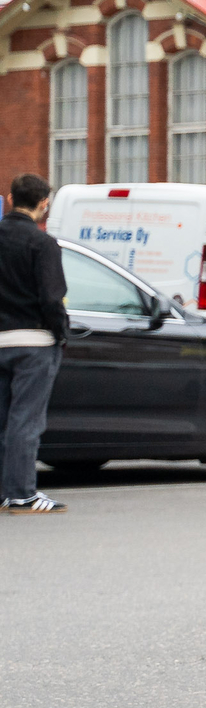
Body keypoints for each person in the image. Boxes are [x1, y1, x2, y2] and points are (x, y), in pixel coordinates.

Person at [0, 173, 69, 516]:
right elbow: (52, 299)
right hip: (34, 343)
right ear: (44, 204)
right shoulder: (43, 245)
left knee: (2, 420)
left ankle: (3, 492)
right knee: (25, 421)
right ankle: (23, 494)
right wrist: (61, 333)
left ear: (10, 199)